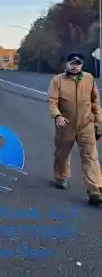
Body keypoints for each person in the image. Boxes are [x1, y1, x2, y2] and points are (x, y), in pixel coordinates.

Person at [47, 52, 102, 205]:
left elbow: (95, 103)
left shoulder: (89, 78)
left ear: (81, 65)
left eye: (77, 64)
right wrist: (57, 116)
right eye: (71, 63)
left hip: (86, 124)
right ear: (66, 64)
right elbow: (52, 101)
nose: (74, 66)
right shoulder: (57, 80)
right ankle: (61, 176)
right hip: (66, 124)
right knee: (62, 153)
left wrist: (98, 122)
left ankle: (95, 190)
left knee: (90, 156)